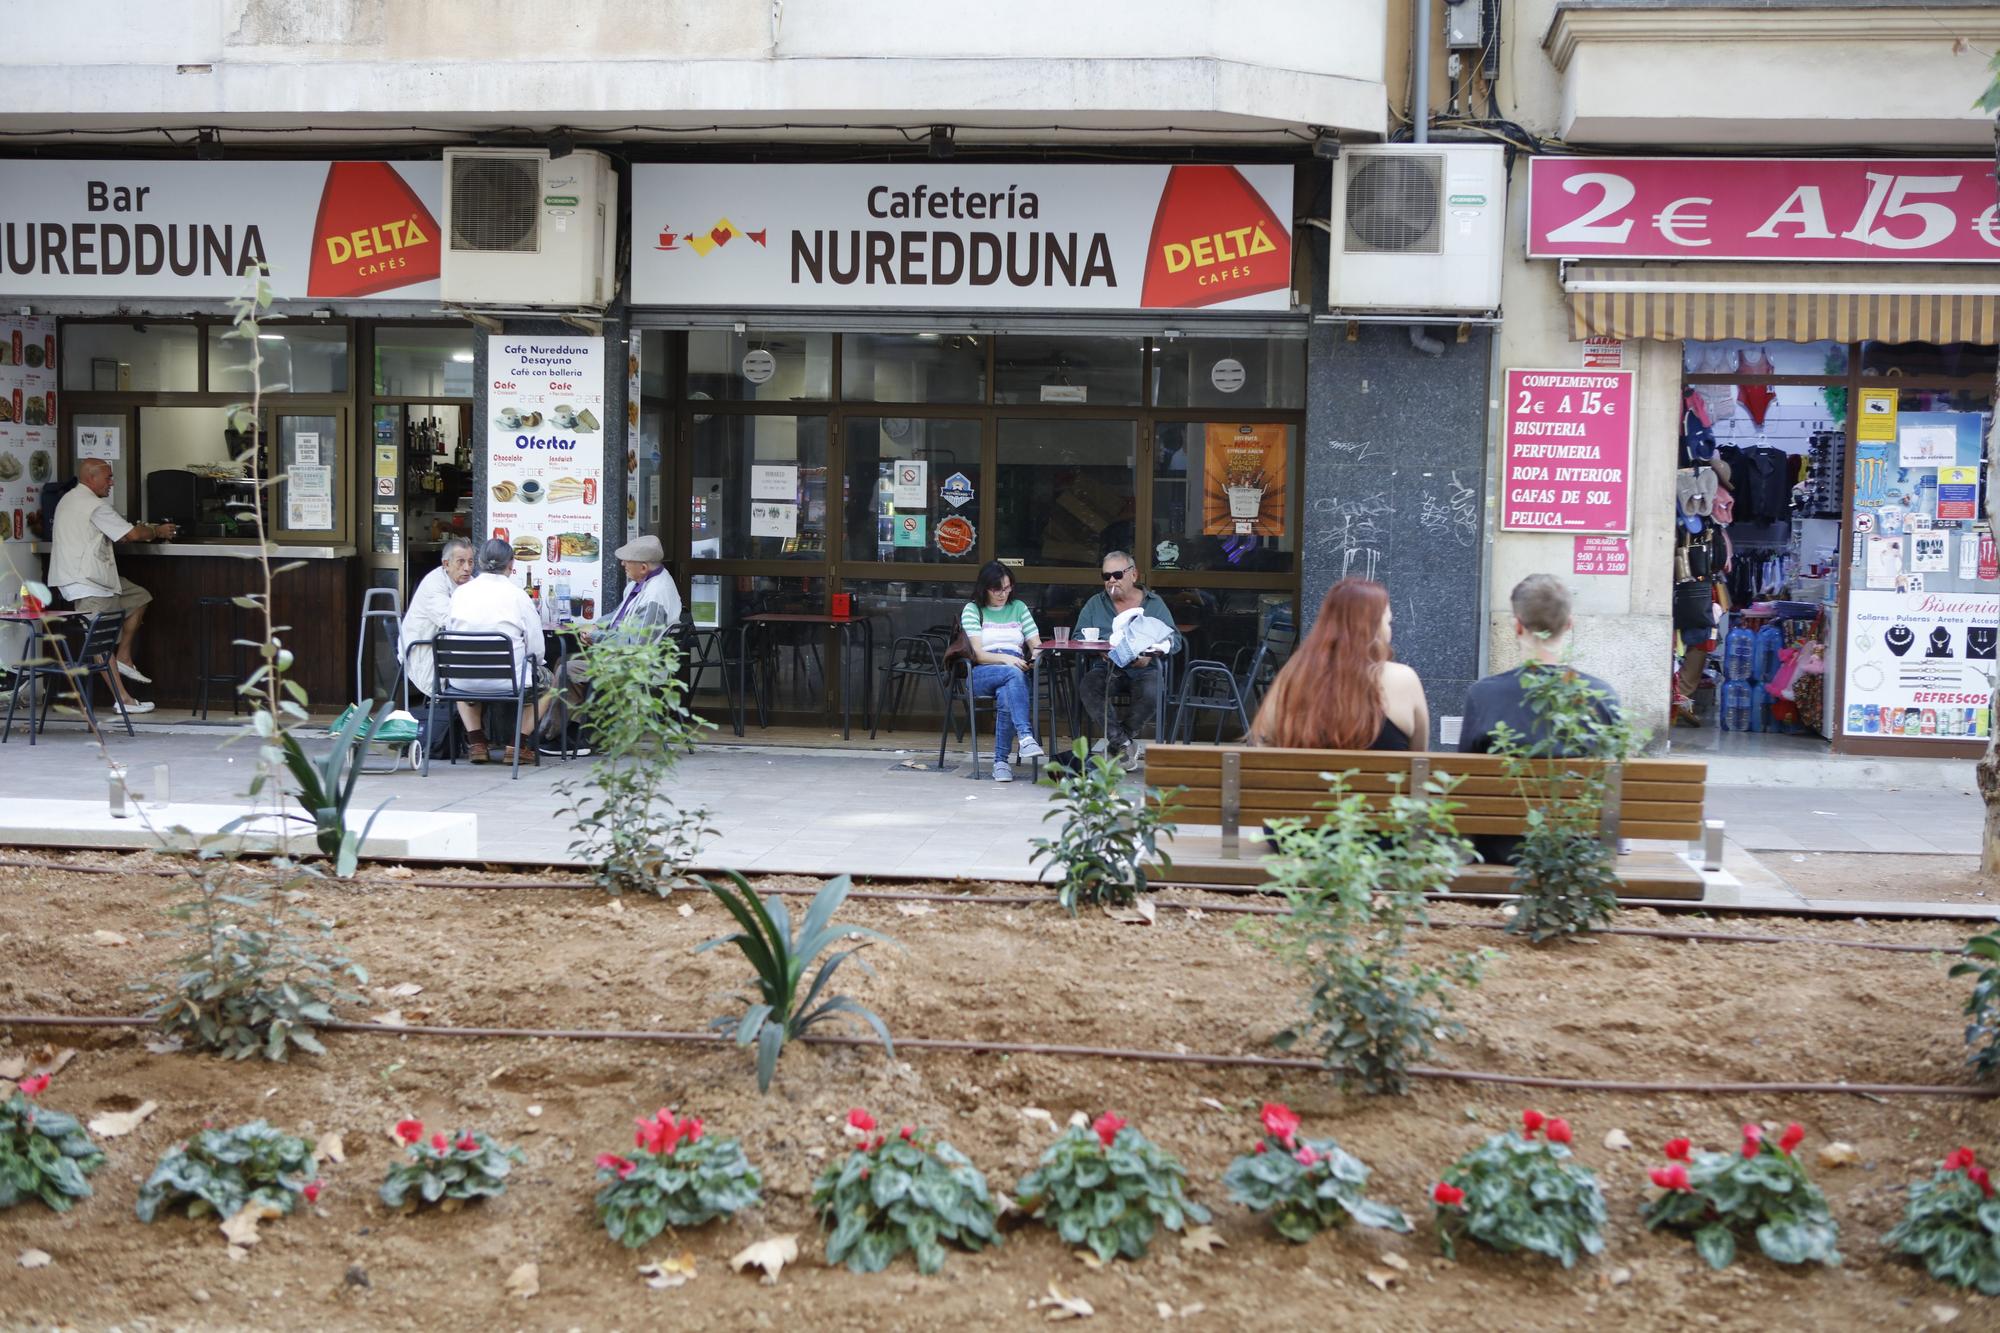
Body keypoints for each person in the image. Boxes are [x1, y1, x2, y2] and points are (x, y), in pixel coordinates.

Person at [1458, 574, 1621, 865]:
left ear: (1517, 626)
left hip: (1502, 850)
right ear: (1569, 624)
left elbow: (1466, 783)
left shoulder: (1483, 696)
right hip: (1578, 849)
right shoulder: (1602, 696)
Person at [47, 459, 177, 714]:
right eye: (108, 478)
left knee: (140, 597)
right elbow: (131, 535)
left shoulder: (69, 499)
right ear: (90, 478)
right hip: (88, 584)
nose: (112, 483)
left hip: (96, 579)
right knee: (100, 643)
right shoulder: (93, 506)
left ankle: (125, 657)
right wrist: (157, 530)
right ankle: (124, 700)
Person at [1249, 578, 1428, 750]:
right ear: (1373, 628)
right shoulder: (1403, 679)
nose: (1390, 631)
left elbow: (1262, 743)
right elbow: (1419, 759)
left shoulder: (1295, 674)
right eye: (1388, 623)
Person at [548, 534, 684, 740]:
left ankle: (557, 735)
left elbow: (636, 643)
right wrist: (596, 625)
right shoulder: (641, 584)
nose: (622, 564)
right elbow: (618, 614)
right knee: (564, 662)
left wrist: (598, 637)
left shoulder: (655, 595)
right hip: (622, 657)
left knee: (569, 669)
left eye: (627, 560)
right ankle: (575, 730)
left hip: (635, 665)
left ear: (644, 567)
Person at [443, 537, 553, 766]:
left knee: (462, 672)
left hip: (461, 682)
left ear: (480, 562)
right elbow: (537, 651)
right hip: (509, 681)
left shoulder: (460, 594)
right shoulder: (518, 596)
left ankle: (477, 743)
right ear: (511, 565)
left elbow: (450, 632)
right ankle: (517, 745)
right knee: (551, 683)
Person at [1073, 550, 1180, 769]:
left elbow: (1174, 639)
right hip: (1108, 665)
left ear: (1134, 575)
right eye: (1106, 576)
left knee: (1153, 691)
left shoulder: (1154, 603)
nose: (1112, 580)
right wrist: (1099, 649)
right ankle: (1122, 742)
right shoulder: (1095, 603)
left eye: (1117, 574)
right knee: (1089, 685)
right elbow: (1077, 637)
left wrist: (1151, 655)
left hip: (1144, 668)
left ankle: (1120, 742)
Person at [959, 559, 1045, 782]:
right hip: (981, 672)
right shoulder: (973, 609)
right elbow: (978, 653)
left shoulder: (1019, 608)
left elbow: (1036, 644)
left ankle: (1001, 763)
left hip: (1013, 673)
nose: (1003, 594)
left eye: (1007, 588)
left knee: (1008, 693)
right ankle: (1025, 736)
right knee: (1013, 675)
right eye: (997, 589)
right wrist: (1007, 659)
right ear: (984, 588)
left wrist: (1036, 656)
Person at [399, 536, 476, 698]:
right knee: (477, 678)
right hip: (424, 652)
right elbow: (449, 620)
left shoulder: (470, 583)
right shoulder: (434, 584)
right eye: (461, 562)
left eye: (471, 562)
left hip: (451, 651)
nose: (467, 568)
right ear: (446, 564)